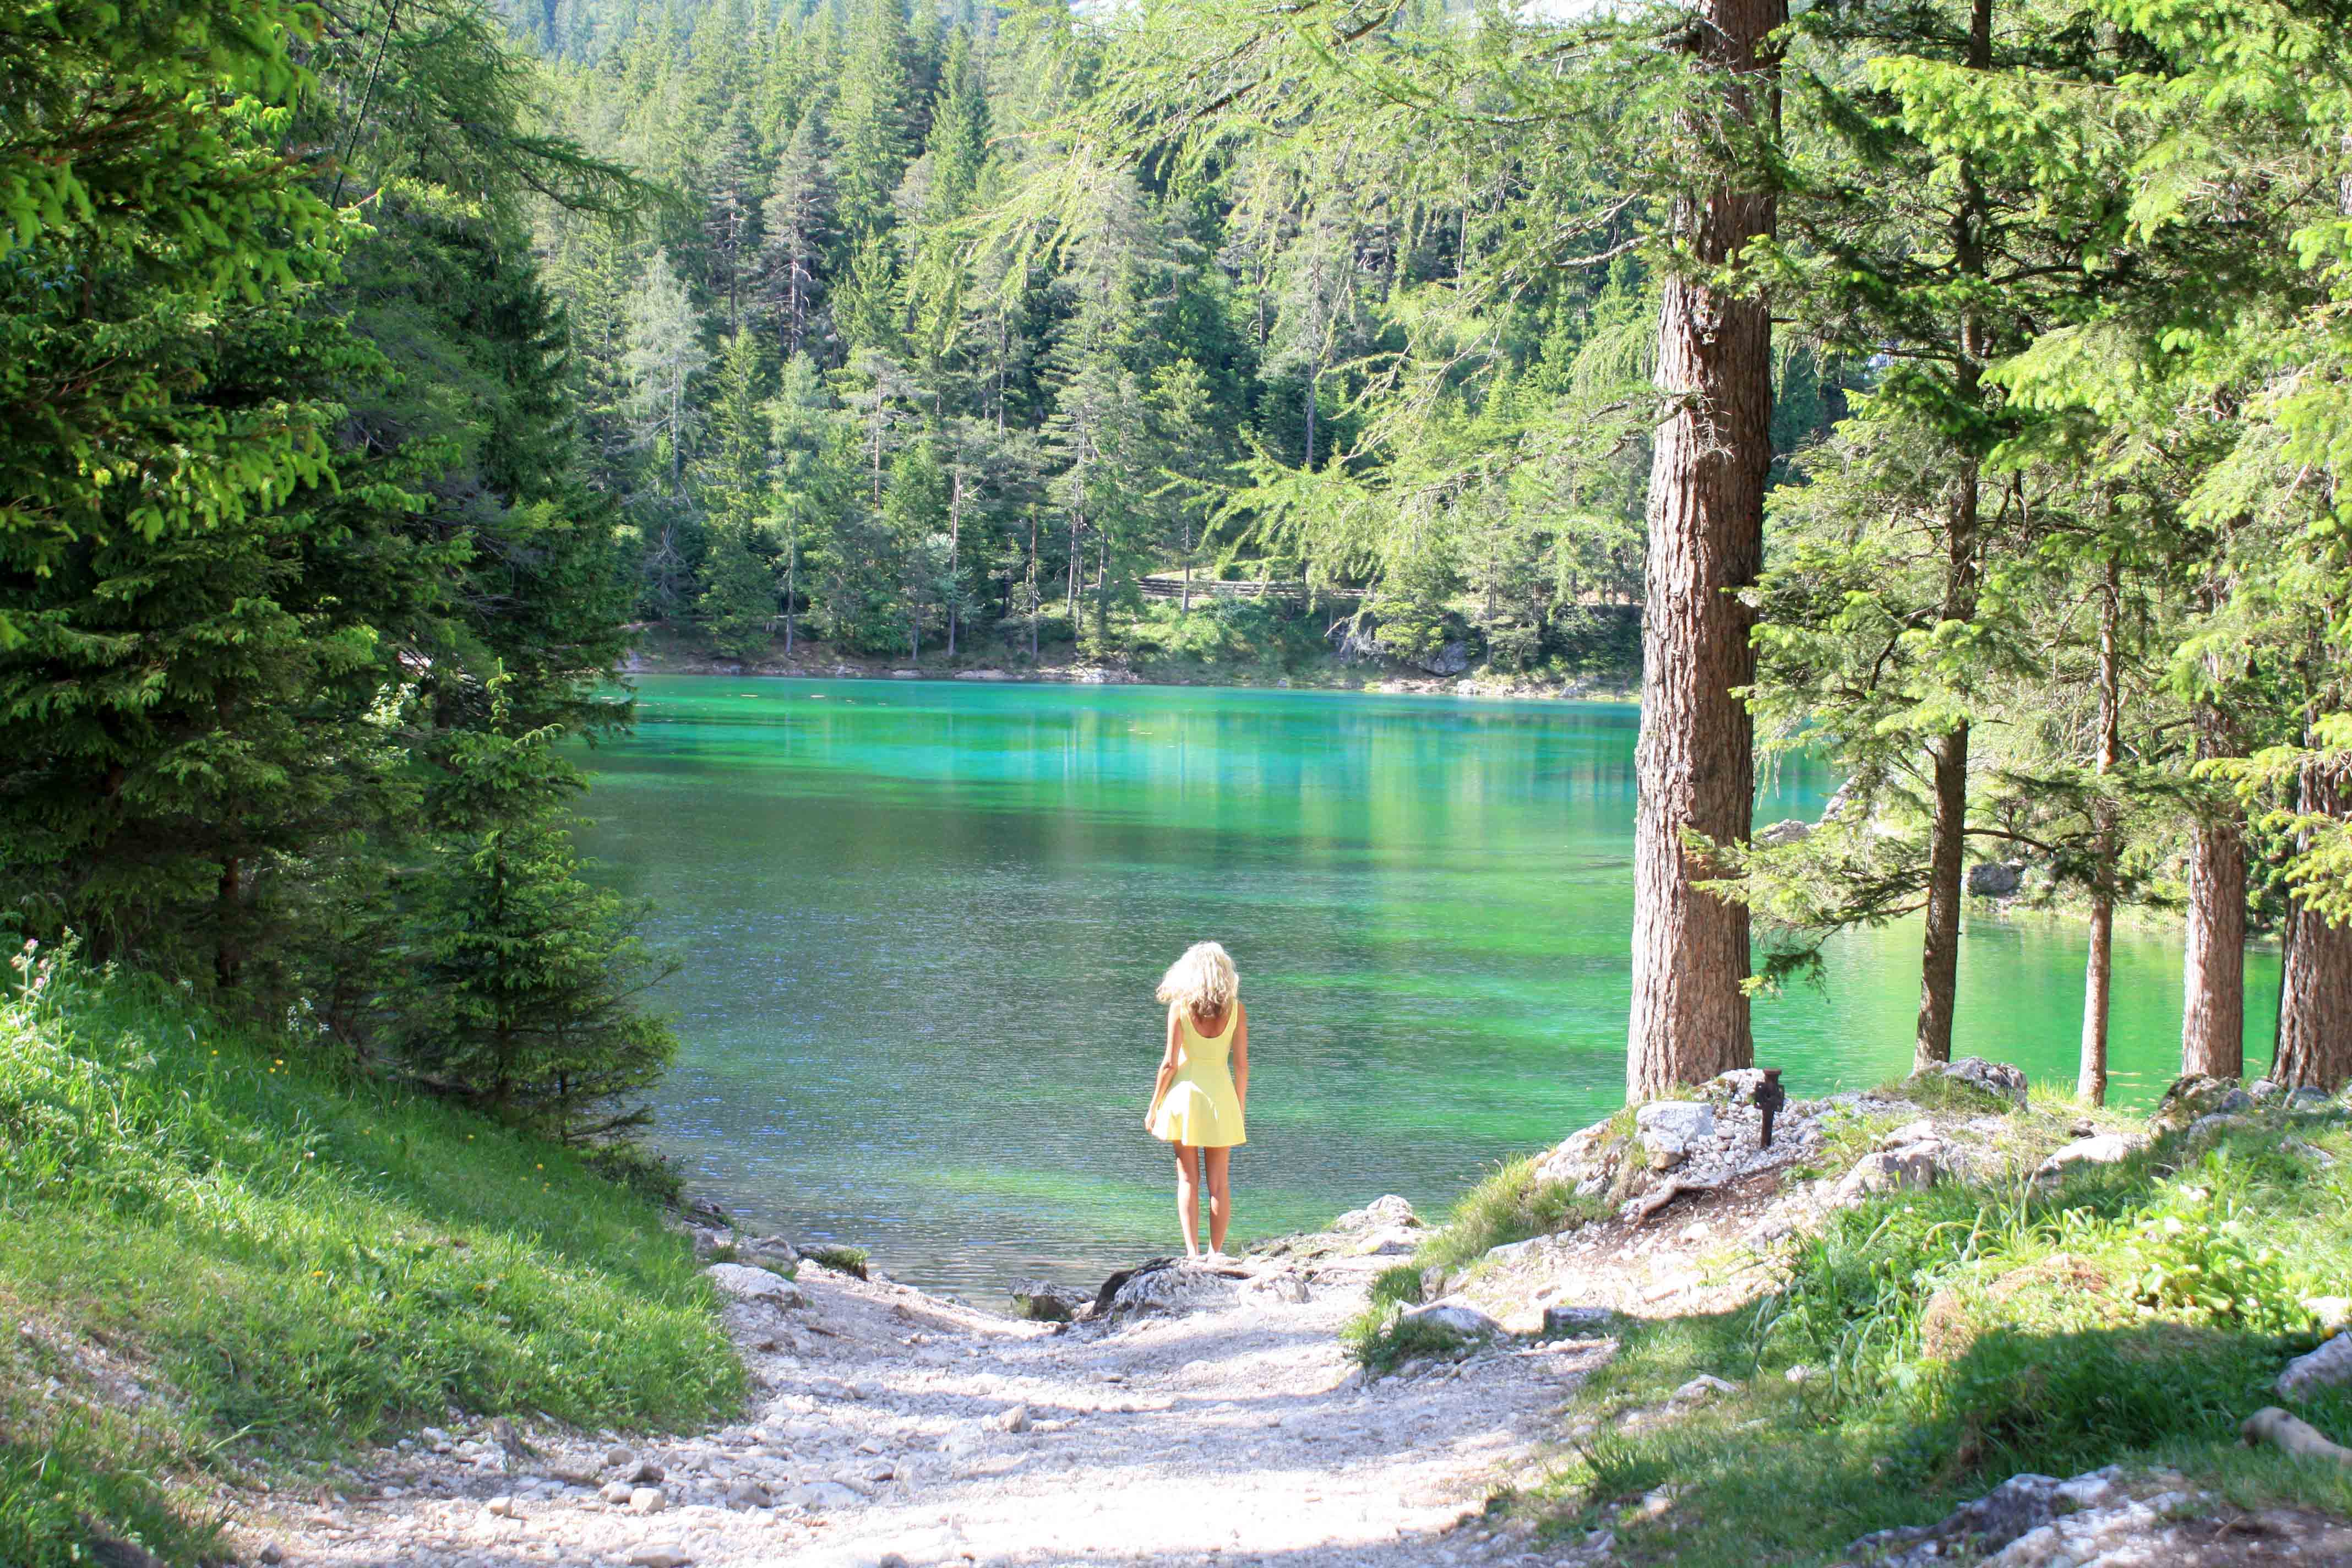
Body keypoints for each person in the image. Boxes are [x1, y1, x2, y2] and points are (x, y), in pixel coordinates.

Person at [1144, 940, 1249, 1258]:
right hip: (1221, 1098)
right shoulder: (1236, 1011)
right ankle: (1216, 1253)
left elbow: (1169, 1064)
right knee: (1220, 1184)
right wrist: (1239, 1109)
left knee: (1188, 1179)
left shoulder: (1180, 1008)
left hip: (1185, 1097)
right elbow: (1241, 1067)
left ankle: (1192, 1253)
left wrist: (1153, 1106)